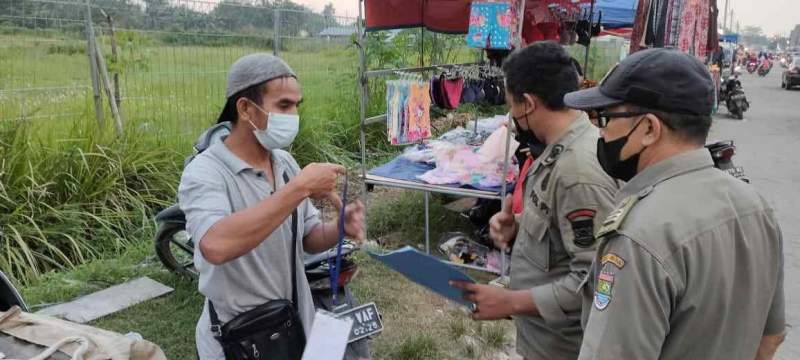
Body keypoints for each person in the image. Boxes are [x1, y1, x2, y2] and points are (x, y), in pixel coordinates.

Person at [563, 48, 786, 359]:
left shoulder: (639, 236)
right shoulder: (755, 205)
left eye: (606, 118)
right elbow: (770, 338)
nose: (600, 131)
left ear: (649, 129)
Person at [179, 53, 366, 359]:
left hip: (293, 323)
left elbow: (306, 237)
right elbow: (214, 244)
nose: (293, 115)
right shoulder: (206, 172)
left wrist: (338, 228)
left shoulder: (284, 162)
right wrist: (299, 188)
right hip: (241, 337)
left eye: (296, 105)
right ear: (244, 108)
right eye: (283, 105)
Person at [451, 41, 620, 360]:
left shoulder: (578, 171)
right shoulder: (556, 152)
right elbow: (559, 230)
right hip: (543, 337)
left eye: (511, 105)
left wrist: (510, 302)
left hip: (564, 348)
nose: (511, 116)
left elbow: (595, 281)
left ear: (528, 103)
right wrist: (518, 226)